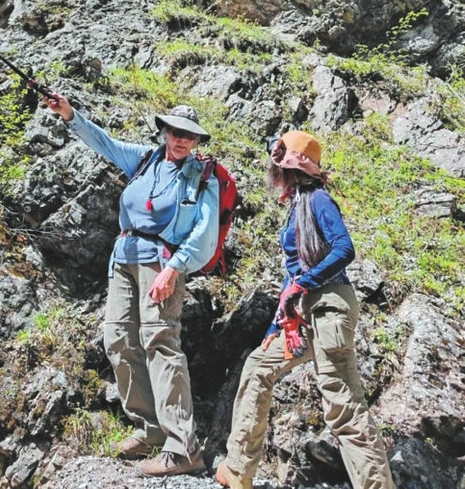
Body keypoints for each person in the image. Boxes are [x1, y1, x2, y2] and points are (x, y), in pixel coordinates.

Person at [44, 94, 219, 478]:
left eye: (189, 135)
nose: (181, 140)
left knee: (160, 342)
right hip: (123, 259)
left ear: (196, 140)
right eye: (175, 131)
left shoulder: (202, 176)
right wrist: (69, 114)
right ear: (164, 131)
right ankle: (150, 428)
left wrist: (174, 269)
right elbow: (103, 142)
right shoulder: (144, 159)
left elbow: (205, 231)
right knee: (119, 340)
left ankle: (183, 448)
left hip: (162, 264)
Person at [216, 130, 395, 489]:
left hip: (329, 305)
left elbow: (344, 249)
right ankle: (237, 470)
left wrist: (303, 283)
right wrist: (274, 329)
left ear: (290, 166)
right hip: (304, 310)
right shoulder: (298, 203)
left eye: (278, 161)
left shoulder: (318, 199)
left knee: (342, 404)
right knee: (258, 367)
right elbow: (292, 276)